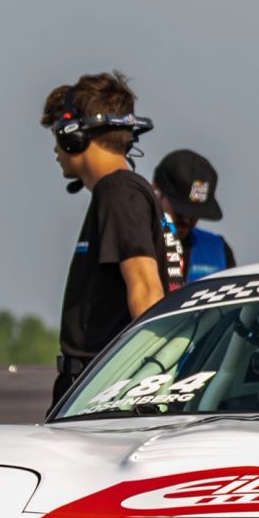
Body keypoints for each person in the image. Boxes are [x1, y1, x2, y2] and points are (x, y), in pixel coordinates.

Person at [42, 72, 180, 403]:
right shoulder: (120, 191)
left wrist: (150, 386)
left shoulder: (118, 192)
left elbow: (146, 290)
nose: (55, 147)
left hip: (106, 390)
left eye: (57, 133)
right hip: (101, 384)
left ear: (73, 134)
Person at [154, 149, 238, 277]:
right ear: (155, 192)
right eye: (180, 211)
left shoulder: (218, 250)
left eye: (195, 213)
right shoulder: (129, 243)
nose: (187, 220)